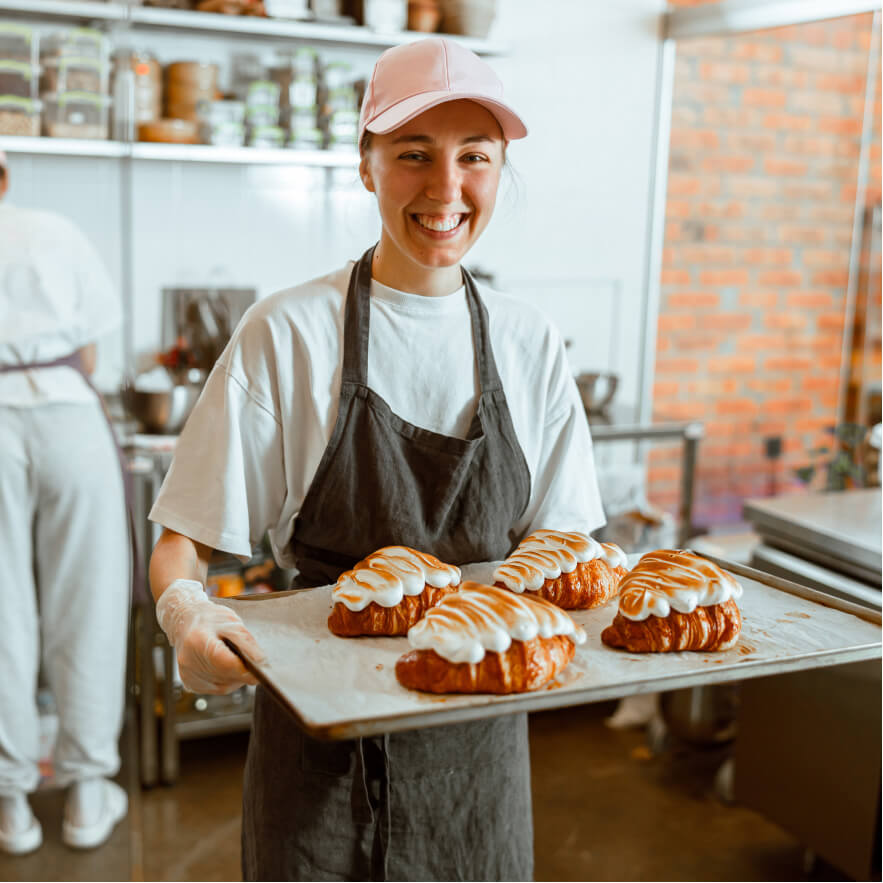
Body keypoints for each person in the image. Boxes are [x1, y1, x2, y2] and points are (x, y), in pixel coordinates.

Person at [148, 37, 606, 881]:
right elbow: (182, 545)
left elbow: (564, 551)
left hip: (479, 753)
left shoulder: (528, 342)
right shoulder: (284, 333)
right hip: (318, 752)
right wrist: (191, 619)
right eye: (412, 155)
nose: (445, 189)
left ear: (500, 170)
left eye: (475, 157)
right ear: (365, 167)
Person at [0, 150, 129, 854]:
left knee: (2, 609)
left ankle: (11, 805)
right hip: (67, 416)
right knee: (87, 599)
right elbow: (86, 360)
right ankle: (85, 794)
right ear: (6, 175)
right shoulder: (51, 229)